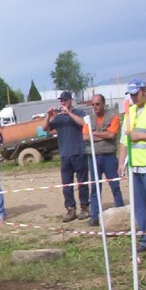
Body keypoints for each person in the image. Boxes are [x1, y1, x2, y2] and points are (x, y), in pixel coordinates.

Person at [118, 79, 146, 255]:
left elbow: (136, 136)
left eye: (135, 93)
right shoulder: (129, 112)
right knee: (140, 206)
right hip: (135, 167)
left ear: (144, 91)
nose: (133, 97)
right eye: (130, 94)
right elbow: (124, 141)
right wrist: (121, 163)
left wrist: (140, 135)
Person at [45, 91, 89, 222]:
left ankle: (85, 207)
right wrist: (48, 116)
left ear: (70, 100)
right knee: (67, 185)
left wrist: (69, 113)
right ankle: (70, 209)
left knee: (82, 183)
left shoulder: (79, 113)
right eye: (61, 100)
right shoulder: (58, 118)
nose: (62, 102)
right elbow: (44, 128)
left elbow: (84, 124)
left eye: (64, 100)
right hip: (65, 155)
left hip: (79, 153)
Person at [83, 94, 124, 226]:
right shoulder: (88, 119)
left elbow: (112, 135)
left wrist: (93, 133)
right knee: (95, 188)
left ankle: (121, 213)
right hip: (93, 157)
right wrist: (103, 135)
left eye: (98, 104)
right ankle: (95, 216)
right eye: (93, 104)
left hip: (109, 157)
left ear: (103, 104)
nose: (95, 107)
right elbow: (84, 137)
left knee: (115, 187)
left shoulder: (113, 116)